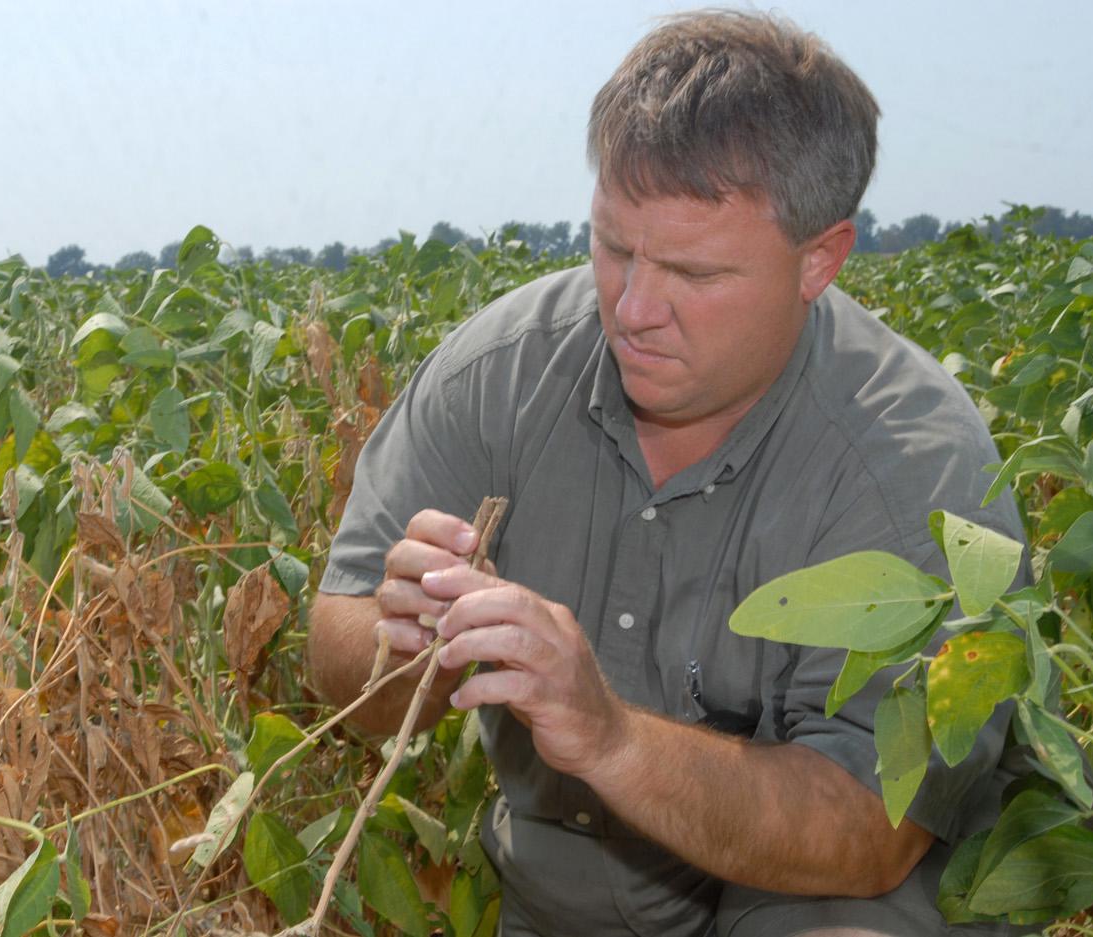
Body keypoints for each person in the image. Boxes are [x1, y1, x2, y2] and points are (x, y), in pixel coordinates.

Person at [307, 10, 1027, 936]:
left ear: (820, 259)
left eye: (692, 271)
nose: (634, 307)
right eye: (613, 246)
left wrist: (610, 737)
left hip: (811, 898)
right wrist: (404, 645)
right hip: (560, 902)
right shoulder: (500, 374)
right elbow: (337, 642)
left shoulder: (910, 464)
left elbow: (871, 827)